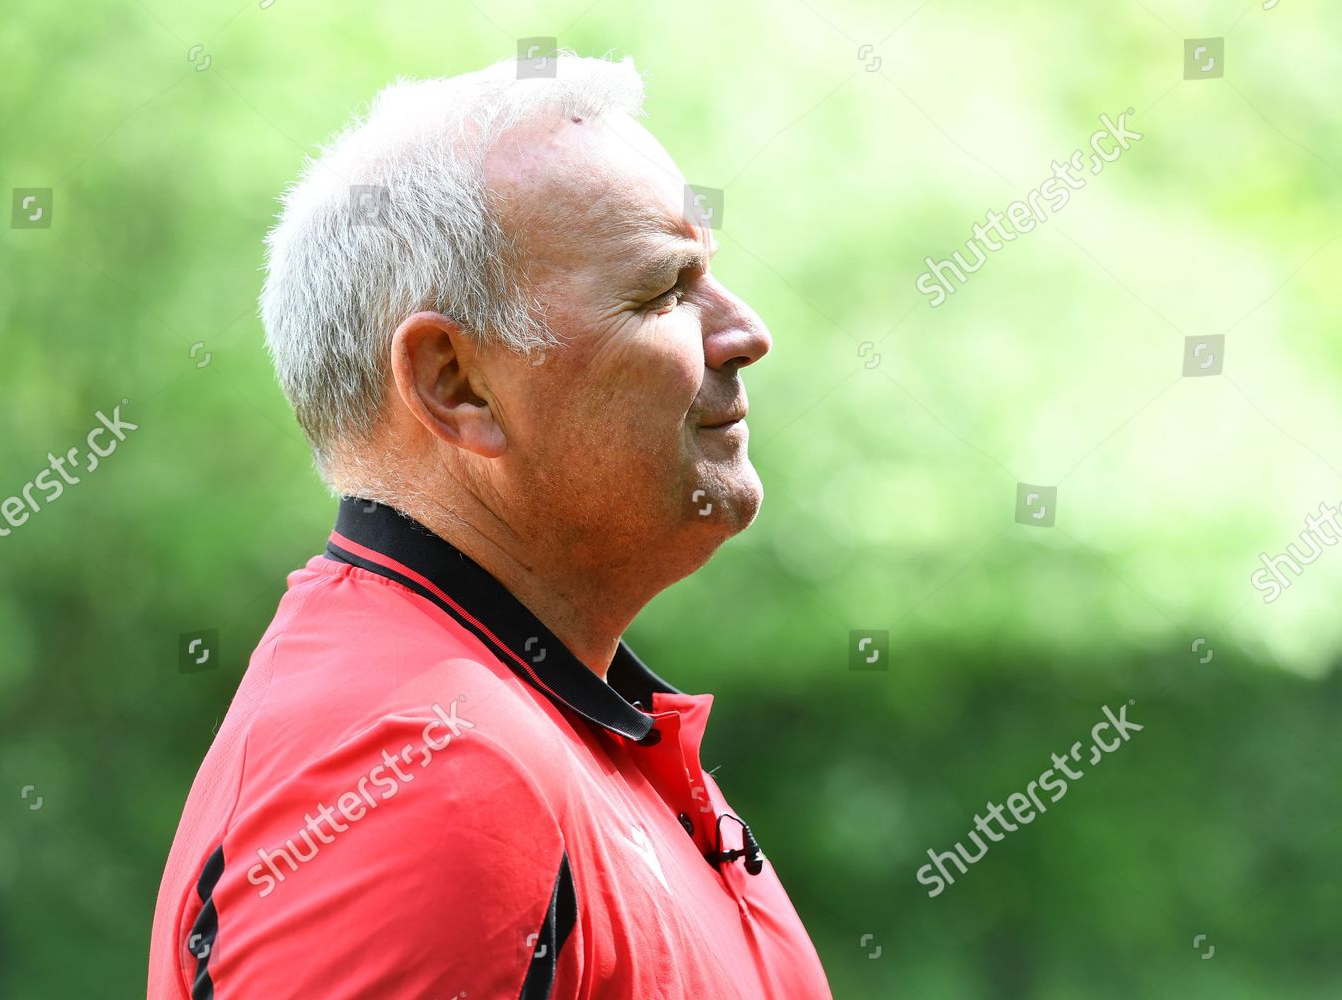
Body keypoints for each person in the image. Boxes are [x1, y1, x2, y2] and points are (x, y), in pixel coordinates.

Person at [148, 51, 833, 999]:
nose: (746, 329)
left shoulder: (524, 721)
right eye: (666, 291)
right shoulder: (426, 770)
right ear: (455, 383)